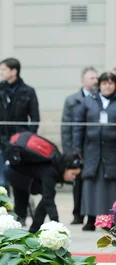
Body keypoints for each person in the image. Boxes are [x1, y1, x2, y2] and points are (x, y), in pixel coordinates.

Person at [0, 57, 40, 191]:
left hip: (20, 143)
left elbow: (35, 117)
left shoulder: (28, 91)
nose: (1, 73)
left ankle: (20, 210)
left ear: (14, 71)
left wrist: (28, 138)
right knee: (1, 180)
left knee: (20, 179)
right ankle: (4, 210)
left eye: (3, 69)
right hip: (0, 141)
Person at [73, 71, 116, 232]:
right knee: (90, 185)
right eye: (105, 83)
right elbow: (78, 127)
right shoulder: (88, 102)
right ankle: (90, 219)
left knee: (111, 187)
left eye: (111, 83)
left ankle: (111, 220)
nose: (108, 86)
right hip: (92, 150)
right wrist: (76, 149)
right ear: (100, 85)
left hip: (112, 152)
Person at [6, 144, 82, 233]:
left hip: (16, 173)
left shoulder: (55, 165)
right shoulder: (50, 171)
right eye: (73, 173)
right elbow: (49, 201)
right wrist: (58, 226)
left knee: (46, 197)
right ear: (66, 168)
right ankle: (29, 231)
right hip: (17, 176)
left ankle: (32, 230)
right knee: (46, 197)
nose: (73, 177)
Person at [61, 66, 98, 225]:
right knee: (77, 182)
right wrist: (69, 151)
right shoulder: (72, 100)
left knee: (91, 182)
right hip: (76, 147)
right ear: (82, 80)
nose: (95, 81)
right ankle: (77, 214)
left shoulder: (99, 99)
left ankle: (91, 215)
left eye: (96, 78)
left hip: (93, 147)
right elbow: (66, 127)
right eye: (91, 78)